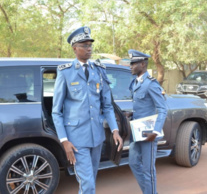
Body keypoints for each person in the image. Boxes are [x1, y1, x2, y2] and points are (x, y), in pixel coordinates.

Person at [52, 26, 123, 194]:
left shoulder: (99, 71)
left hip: (96, 137)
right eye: (84, 45)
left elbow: (106, 105)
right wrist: (64, 141)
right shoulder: (65, 73)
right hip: (76, 139)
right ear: (75, 48)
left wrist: (114, 129)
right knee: (88, 183)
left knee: (90, 179)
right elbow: (56, 111)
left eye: (90, 44)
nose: (89, 48)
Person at [126, 49, 167, 194]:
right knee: (133, 163)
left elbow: (162, 109)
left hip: (149, 133)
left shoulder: (151, 84)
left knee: (148, 169)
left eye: (133, 63)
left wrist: (155, 132)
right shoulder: (135, 82)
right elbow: (142, 105)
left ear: (142, 64)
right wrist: (132, 113)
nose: (130, 66)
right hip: (137, 130)